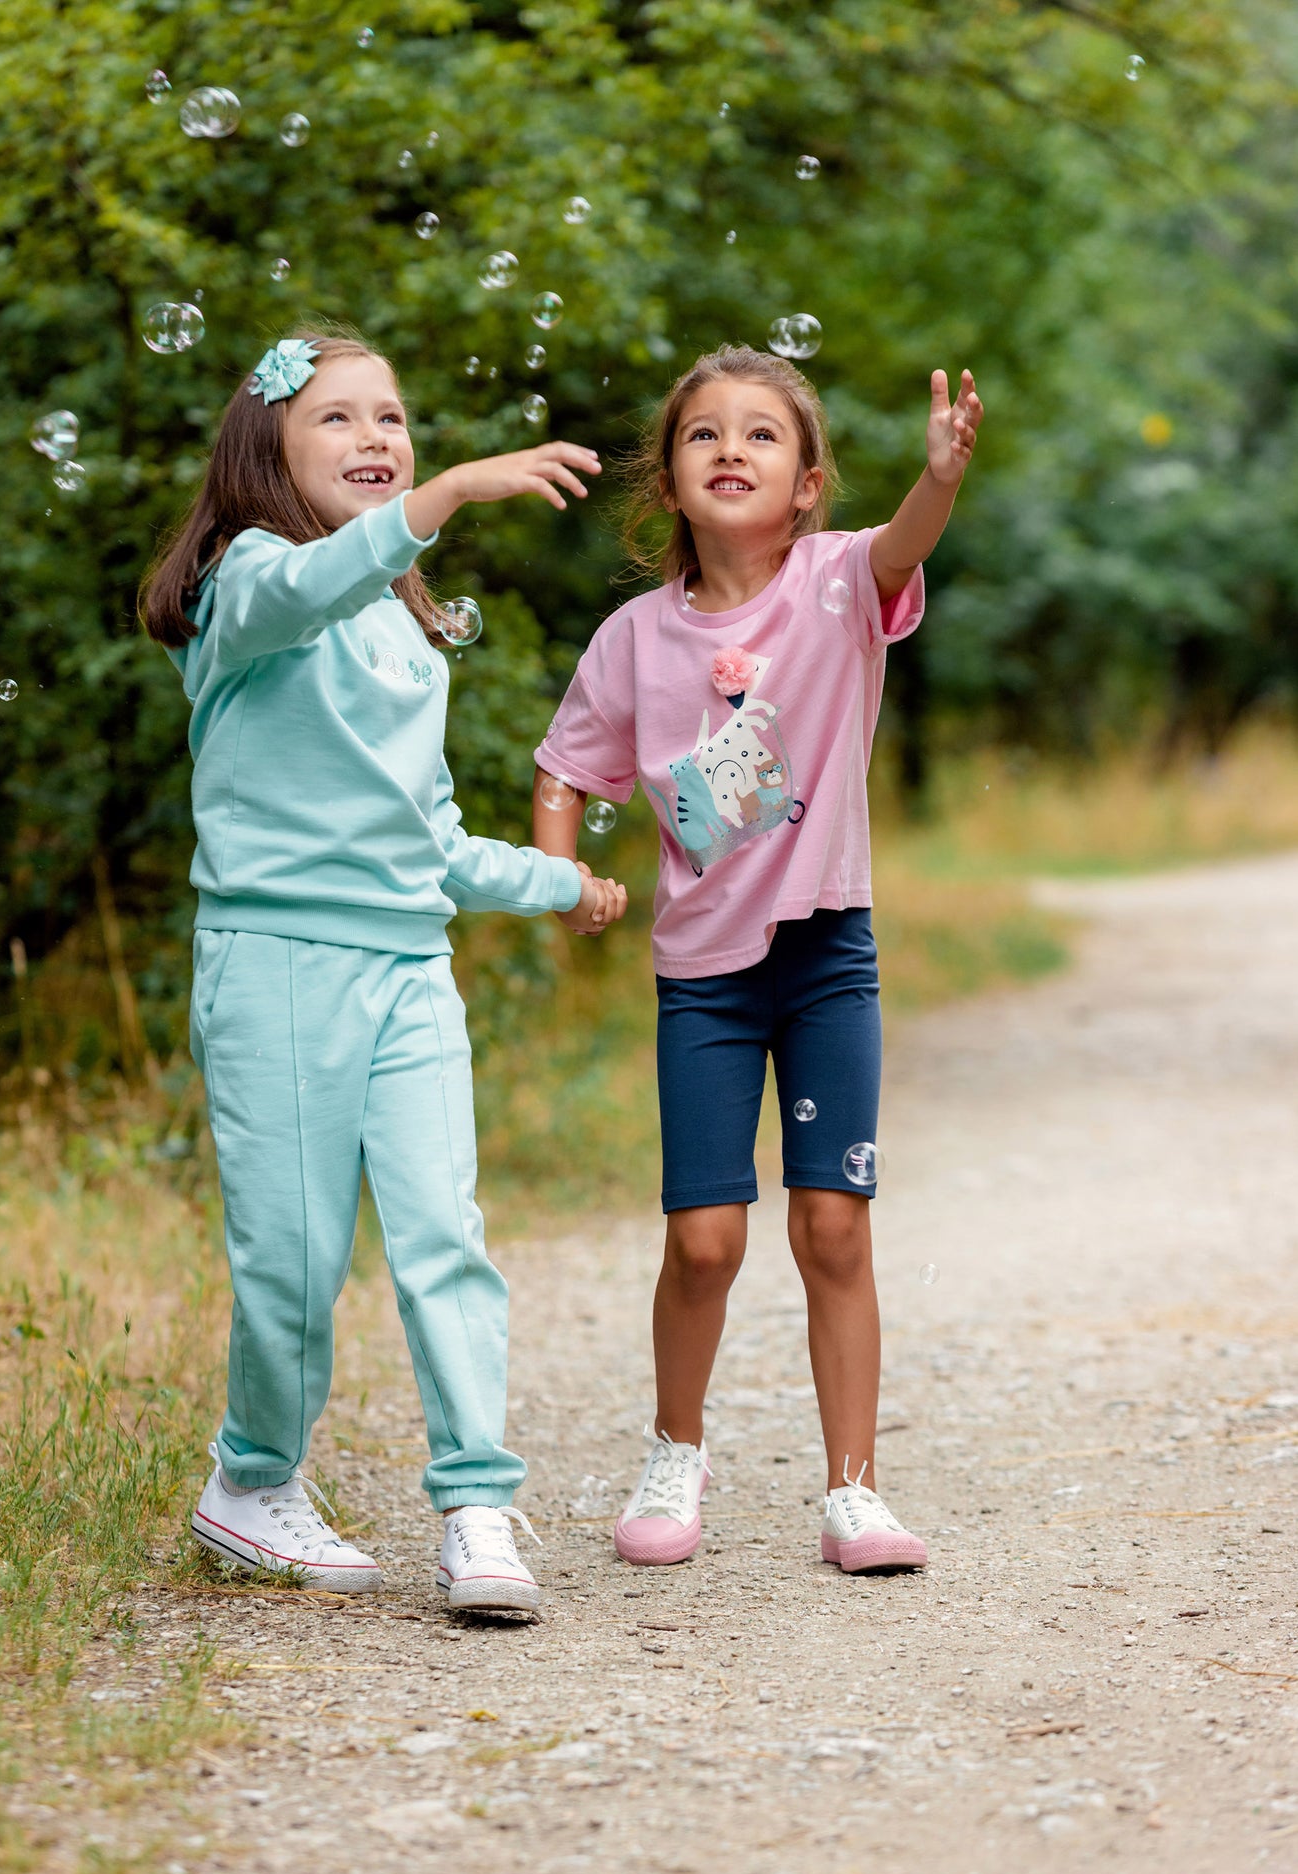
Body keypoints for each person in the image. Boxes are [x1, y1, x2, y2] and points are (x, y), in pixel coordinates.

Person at [141, 330, 625, 1611]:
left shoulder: (406, 625)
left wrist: (558, 881)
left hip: (408, 965)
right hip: (277, 964)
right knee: (293, 1258)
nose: (377, 438)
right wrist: (449, 492)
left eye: (393, 419)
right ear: (269, 454)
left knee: (442, 1240)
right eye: (338, 419)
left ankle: (477, 1505)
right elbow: (298, 592)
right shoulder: (246, 584)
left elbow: (428, 833)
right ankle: (248, 1486)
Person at [531, 342, 982, 1573]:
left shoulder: (841, 584)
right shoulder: (632, 639)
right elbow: (567, 767)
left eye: (761, 434)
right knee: (704, 1239)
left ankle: (854, 1489)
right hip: (704, 981)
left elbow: (906, 543)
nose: (730, 448)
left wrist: (937, 476)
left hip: (827, 952)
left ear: (806, 486)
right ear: (668, 482)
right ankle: (675, 1449)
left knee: (832, 1224)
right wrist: (564, 873)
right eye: (702, 434)